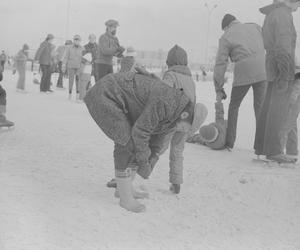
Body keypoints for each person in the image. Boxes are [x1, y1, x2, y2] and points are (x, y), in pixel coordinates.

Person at [84, 71, 200, 213]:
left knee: (133, 143)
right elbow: (140, 133)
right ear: (186, 116)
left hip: (122, 101)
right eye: (186, 128)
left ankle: (123, 189)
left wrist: (150, 162)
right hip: (107, 95)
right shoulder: (167, 102)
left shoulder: (175, 113)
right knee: (126, 142)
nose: (183, 131)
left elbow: (156, 140)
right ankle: (125, 198)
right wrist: (143, 162)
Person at [254, 0, 300, 163]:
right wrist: (286, 72)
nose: (299, 6)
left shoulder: (272, 14)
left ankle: (261, 146)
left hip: (272, 64)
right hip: (281, 66)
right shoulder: (283, 15)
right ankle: (273, 150)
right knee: (278, 109)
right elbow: (283, 46)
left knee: (268, 107)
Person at [214, 14, 267, 150]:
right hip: (263, 70)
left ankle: (229, 142)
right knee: (260, 108)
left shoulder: (226, 37)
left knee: (234, 106)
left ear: (226, 27)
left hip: (244, 71)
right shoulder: (255, 27)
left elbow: (221, 63)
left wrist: (218, 87)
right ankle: (262, 146)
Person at [162, 45, 208, 194]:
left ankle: (134, 175)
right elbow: (194, 99)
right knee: (177, 149)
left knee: (157, 147)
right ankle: (176, 183)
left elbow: (163, 94)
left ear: (169, 62)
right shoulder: (189, 79)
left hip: (172, 118)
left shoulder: (170, 75)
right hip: (186, 119)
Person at [278, 59, 300, 161]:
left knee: (286, 123)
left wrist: (291, 99)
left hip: (295, 89)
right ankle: (292, 149)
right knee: (291, 121)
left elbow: (297, 86)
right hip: (295, 83)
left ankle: (279, 151)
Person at [62, 35, 84, 101]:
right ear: (74, 40)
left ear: (80, 41)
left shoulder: (82, 48)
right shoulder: (69, 47)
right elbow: (66, 56)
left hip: (78, 66)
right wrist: (64, 64)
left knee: (78, 80)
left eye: (78, 40)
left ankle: (77, 94)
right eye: (75, 39)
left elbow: (84, 58)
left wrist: (82, 66)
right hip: (71, 66)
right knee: (71, 80)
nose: (77, 41)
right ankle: (70, 93)